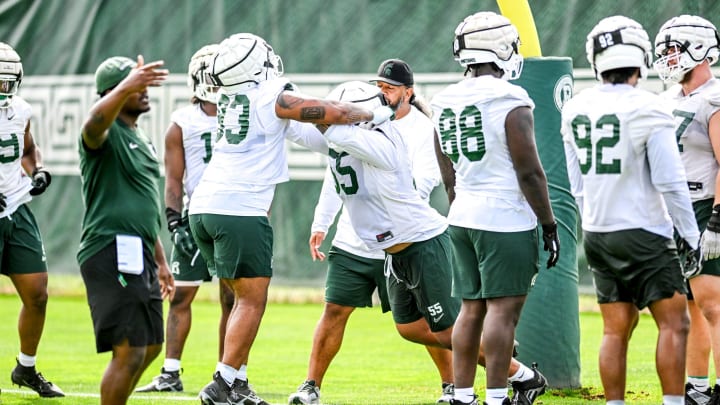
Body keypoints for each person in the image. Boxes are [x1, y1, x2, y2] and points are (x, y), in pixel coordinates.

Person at [187, 33, 393, 405]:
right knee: (252, 301)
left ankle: (238, 383)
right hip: (239, 208)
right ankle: (222, 382)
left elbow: (309, 133)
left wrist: (346, 139)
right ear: (256, 65)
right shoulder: (273, 93)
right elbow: (329, 111)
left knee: (239, 300)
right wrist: (372, 114)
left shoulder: (234, 97)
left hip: (205, 207)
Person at [288, 60, 455, 405]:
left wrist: (303, 107)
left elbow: (425, 180)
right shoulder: (360, 124)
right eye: (377, 86)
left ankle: (453, 383)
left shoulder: (421, 129)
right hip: (354, 240)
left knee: (425, 323)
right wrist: (323, 222)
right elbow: (336, 172)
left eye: (390, 88)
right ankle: (311, 386)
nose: (382, 93)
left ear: (408, 92)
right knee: (334, 311)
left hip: (401, 238)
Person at [561, 16, 700, 405]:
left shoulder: (576, 108)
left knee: (614, 329)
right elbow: (670, 182)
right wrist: (690, 236)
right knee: (675, 322)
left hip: (599, 232)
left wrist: (596, 221)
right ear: (640, 57)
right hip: (644, 230)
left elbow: (576, 185)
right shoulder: (650, 107)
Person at [431, 11, 559, 405]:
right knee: (503, 313)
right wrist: (549, 223)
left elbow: (448, 173)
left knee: (470, 310)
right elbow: (530, 171)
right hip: (503, 216)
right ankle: (498, 396)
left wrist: (464, 207)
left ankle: (463, 395)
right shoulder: (510, 97)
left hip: (463, 214)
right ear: (501, 46)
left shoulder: (443, 99)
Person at [136, 44, 235, 393]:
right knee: (181, 297)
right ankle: (170, 372)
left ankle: (229, 374)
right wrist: (174, 221)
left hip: (233, 213)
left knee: (232, 299)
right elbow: (174, 178)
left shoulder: (240, 115)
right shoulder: (183, 121)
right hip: (195, 215)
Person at [78, 54, 175, 405]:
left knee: (150, 346)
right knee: (130, 350)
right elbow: (92, 124)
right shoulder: (104, 133)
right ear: (115, 91)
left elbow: (144, 205)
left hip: (140, 251)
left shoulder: (141, 137)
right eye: (137, 86)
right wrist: (124, 87)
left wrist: (161, 260)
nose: (145, 90)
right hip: (109, 249)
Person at [653, 14, 720, 405]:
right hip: (675, 211)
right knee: (691, 306)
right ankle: (696, 387)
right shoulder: (667, 99)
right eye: (665, 50)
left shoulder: (713, 98)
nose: (668, 57)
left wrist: (717, 218)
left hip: (704, 207)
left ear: (700, 50)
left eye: (675, 49)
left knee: (713, 304)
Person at [0, 42, 63, 398]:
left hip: (15, 207)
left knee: (37, 294)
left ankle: (25, 368)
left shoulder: (20, 109)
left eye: (7, 83)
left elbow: (26, 148)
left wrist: (37, 169)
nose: (2, 90)